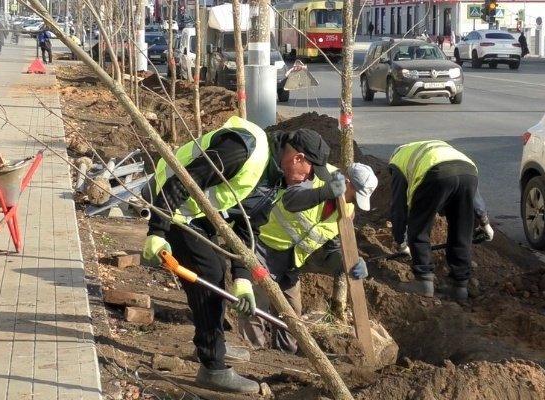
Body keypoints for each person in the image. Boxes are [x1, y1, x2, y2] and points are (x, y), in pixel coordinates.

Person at [141, 116, 336, 393]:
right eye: (309, 172)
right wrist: (156, 231)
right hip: (170, 204)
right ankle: (212, 368)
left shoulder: (275, 180)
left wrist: (243, 280)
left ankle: (212, 344)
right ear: (298, 157)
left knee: (216, 272)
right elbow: (184, 179)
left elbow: (247, 226)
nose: (308, 180)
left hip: (200, 215)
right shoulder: (244, 150)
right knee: (210, 273)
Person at [238, 163, 378, 354]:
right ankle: (251, 354)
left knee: (292, 314)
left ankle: (284, 358)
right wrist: (324, 192)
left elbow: (333, 250)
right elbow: (290, 199)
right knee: (257, 305)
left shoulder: (346, 211)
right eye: (354, 196)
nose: (353, 202)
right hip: (262, 245)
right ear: (346, 183)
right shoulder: (312, 177)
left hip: (292, 261)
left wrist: (349, 263)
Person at [388, 140, 494, 303]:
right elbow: (475, 195)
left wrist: (401, 242)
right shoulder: (432, 150)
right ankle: (459, 287)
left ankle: (424, 281)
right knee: (461, 230)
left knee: (420, 228)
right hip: (468, 172)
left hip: (436, 174)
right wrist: (485, 221)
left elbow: (398, 208)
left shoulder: (397, 163)